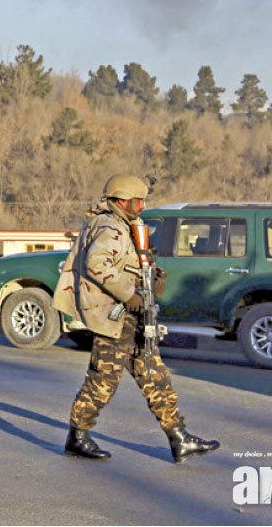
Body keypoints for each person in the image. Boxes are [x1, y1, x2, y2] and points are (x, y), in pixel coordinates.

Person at [53, 174, 219, 463]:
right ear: (120, 201)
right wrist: (130, 294)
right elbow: (96, 263)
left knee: (154, 375)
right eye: (137, 201)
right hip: (115, 317)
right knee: (103, 379)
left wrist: (150, 278)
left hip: (132, 316)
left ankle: (179, 438)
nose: (142, 206)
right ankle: (77, 437)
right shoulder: (109, 226)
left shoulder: (123, 224)